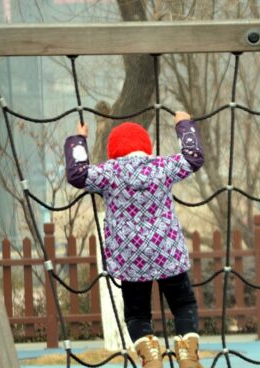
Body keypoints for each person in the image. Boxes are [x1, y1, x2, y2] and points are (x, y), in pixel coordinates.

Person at [64, 112, 204, 368]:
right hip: (167, 252)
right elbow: (193, 158)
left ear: (113, 150)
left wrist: (78, 140)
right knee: (183, 304)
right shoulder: (162, 167)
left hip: (131, 258)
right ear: (146, 146)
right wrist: (183, 125)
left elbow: (77, 174)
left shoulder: (109, 173)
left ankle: (150, 356)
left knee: (137, 313)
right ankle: (188, 355)